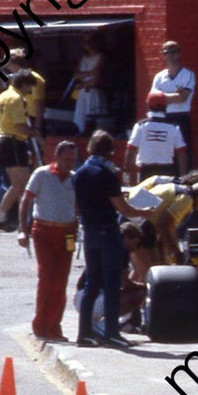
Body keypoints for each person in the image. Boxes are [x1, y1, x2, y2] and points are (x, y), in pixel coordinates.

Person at [74, 130, 147, 347]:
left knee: (92, 283)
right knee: (113, 283)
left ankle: (84, 333)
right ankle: (112, 333)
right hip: (107, 231)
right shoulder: (106, 175)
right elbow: (122, 207)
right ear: (110, 152)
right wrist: (145, 212)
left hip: (89, 232)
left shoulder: (79, 174)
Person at [18, 141, 80, 342]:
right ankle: (41, 326)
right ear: (57, 156)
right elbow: (26, 201)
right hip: (43, 230)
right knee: (47, 277)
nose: (70, 163)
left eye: (73, 159)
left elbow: (78, 207)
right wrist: (22, 230)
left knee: (61, 280)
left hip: (68, 233)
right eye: (67, 159)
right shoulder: (41, 174)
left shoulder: (74, 179)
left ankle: (55, 327)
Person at [0, 71, 39, 232]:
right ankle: (23, 222)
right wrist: (37, 135)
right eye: (29, 86)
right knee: (24, 184)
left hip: (4, 141)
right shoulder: (17, 99)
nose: (30, 90)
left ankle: (2, 216)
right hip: (14, 142)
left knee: (18, 185)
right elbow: (19, 125)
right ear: (23, 84)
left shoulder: (3, 96)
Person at [149, 41, 195, 163]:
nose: (170, 55)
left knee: (183, 153)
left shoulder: (188, 74)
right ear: (163, 56)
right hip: (163, 118)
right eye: (166, 52)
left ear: (179, 54)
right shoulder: (159, 77)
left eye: (173, 51)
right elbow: (153, 100)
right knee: (165, 153)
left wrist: (162, 97)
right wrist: (174, 94)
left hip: (181, 118)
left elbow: (183, 98)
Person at [127, 92, 186, 181]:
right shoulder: (174, 127)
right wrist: (183, 177)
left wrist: (126, 171)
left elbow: (131, 150)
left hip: (146, 172)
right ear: (166, 106)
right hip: (168, 172)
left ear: (148, 105)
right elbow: (182, 154)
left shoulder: (140, 126)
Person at [71, 32, 107, 134]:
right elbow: (76, 76)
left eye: (90, 41)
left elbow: (97, 77)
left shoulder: (101, 57)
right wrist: (90, 74)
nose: (88, 44)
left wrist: (83, 80)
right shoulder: (82, 58)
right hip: (83, 94)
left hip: (94, 93)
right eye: (85, 42)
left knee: (94, 122)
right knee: (80, 121)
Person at [8, 48, 45, 138]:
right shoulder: (15, 79)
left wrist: (37, 127)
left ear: (14, 64)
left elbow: (39, 103)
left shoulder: (35, 78)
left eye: (8, 64)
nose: (7, 67)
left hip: (33, 119)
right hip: (22, 118)